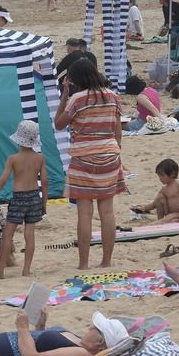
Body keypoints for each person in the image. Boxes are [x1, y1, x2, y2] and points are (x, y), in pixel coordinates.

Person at [55, 60, 124, 270]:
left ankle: (83, 263)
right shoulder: (113, 97)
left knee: (84, 214)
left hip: (83, 158)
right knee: (107, 212)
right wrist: (116, 152)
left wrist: (65, 94)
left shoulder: (77, 99)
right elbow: (117, 129)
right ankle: (106, 261)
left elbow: (58, 124)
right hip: (110, 156)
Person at [0, 120, 46, 278]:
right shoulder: (39, 158)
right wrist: (44, 203)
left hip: (19, 197)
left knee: (7, 234)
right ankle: (26, 270)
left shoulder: (13, 159)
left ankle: (0, 270)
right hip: (34, 197)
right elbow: (45, 182)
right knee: (29, 234)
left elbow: (2, 181)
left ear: (19, 139)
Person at [132, 159, 179, 223]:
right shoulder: (164, 189)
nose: (160, 178)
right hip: (169, 214)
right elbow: (154, 204)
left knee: (170, 219)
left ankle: (161, 222)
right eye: (159, 176)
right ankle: (160, 220)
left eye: (162, 176)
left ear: (172, 174)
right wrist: (142, 208)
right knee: (160, 198)